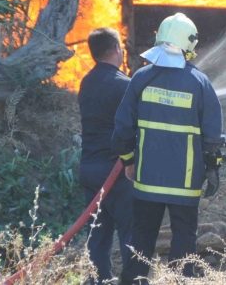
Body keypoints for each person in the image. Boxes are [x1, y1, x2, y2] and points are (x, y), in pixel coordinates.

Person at [112, 13, 223, 283]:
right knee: (184, 238)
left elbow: (122, 128)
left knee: (141, 237)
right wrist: (212, 169)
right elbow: (213, 136)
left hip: (147, 179)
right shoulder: (200, 83)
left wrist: (128, 160)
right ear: (189, 44)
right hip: (185, 182)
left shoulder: (141, 78)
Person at [78, 27, 134, 285]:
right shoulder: (124, 85)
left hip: (90, 169)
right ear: (115, 49)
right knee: (130, 233)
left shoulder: (86, 82)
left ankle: (97, 280)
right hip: (117, 171)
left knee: (97, 235)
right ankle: (133, 279)